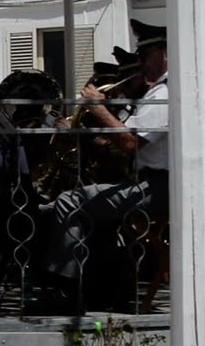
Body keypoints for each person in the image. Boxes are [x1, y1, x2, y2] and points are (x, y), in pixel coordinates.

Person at [36, 19, 170, 314]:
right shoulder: (166, 90)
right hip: (160, 182)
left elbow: (130, 143)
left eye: (145, 56)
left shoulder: (164, 94)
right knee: (87, 209)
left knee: (70, 202)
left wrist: (98, 110)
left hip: (162, 185)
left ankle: (68, 292)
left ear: (163, 53)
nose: (142, 64)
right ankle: (99, 288)